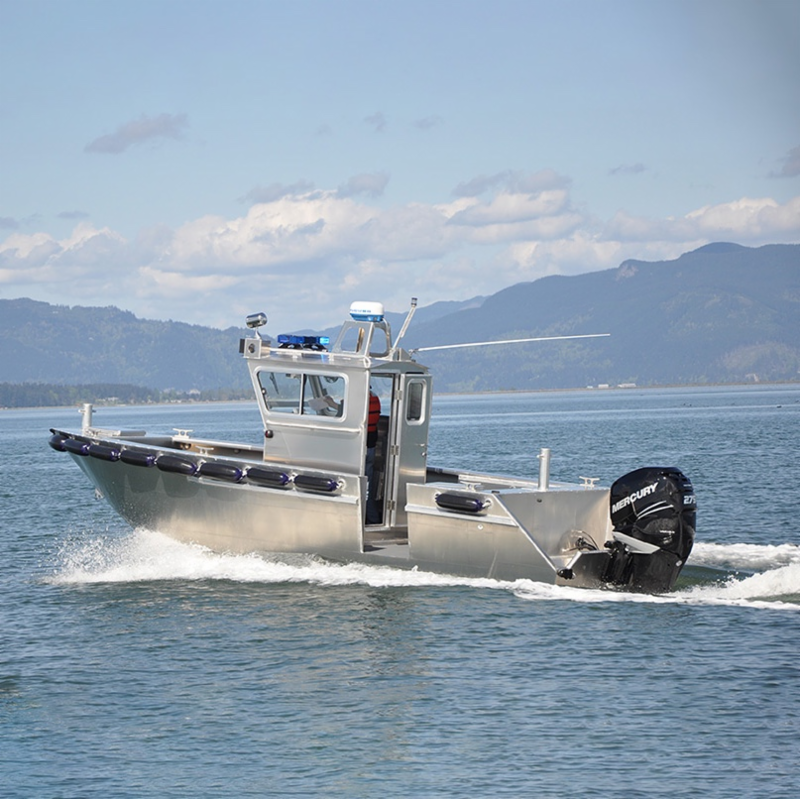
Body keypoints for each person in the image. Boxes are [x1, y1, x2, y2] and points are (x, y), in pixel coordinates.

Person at [365, 388, 381, 524]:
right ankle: (373, 518)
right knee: (368, 486)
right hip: (371, 446)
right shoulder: (375, 398)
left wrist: (331, 404)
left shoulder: (360, 399)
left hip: (362, 450)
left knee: (364, 488)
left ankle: (371, 519)